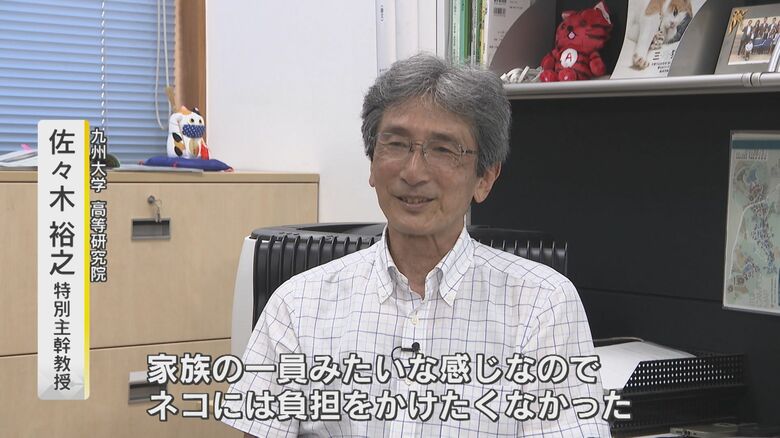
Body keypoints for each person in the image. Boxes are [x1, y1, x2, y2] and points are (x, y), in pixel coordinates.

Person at [221, 54, 611, 437]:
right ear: (372, 163)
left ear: (485, 179)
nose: (413, 172)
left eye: (443, 149)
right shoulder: (297, 305)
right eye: (395, 144)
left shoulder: (543, 306)